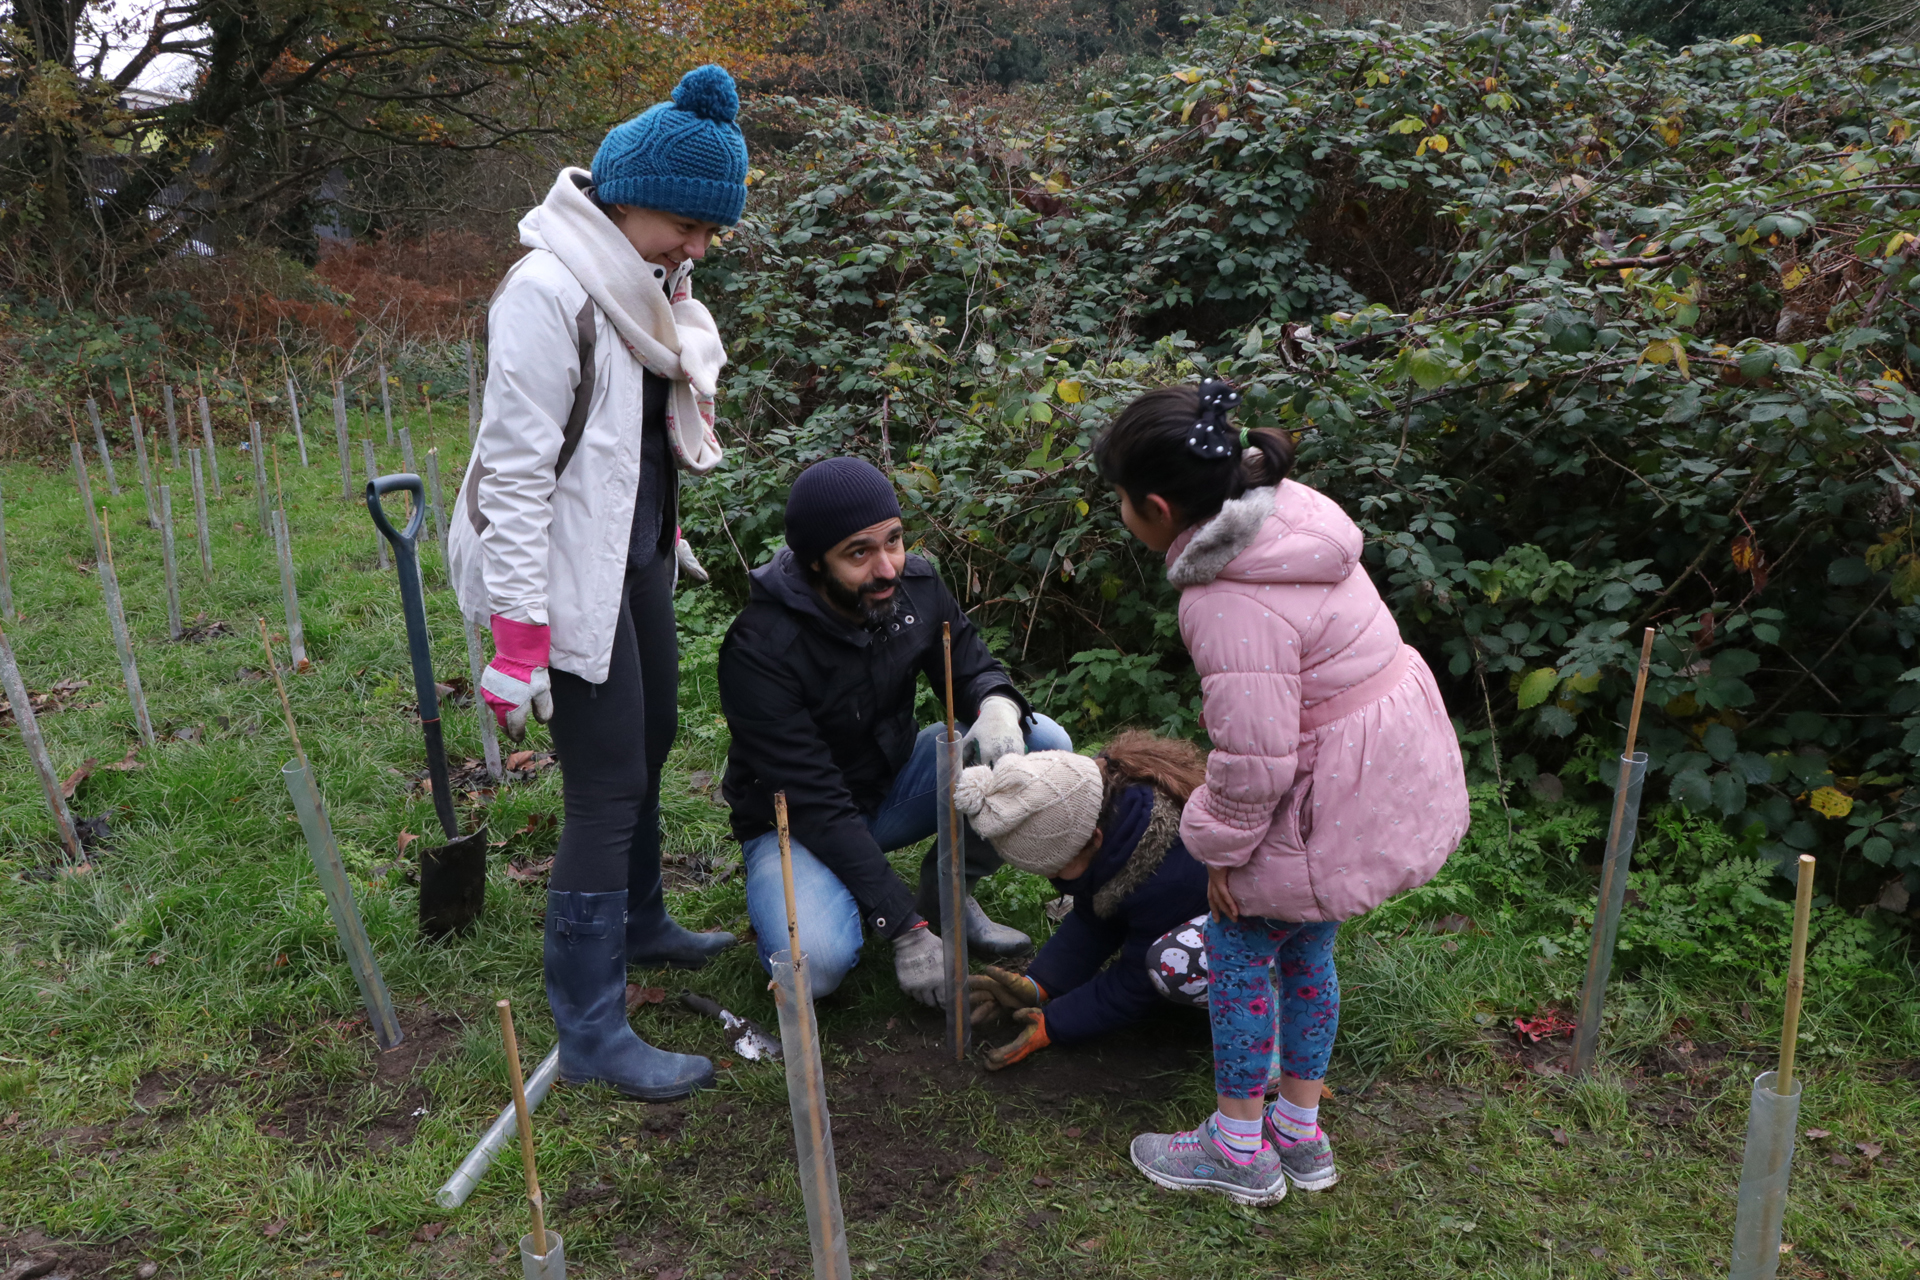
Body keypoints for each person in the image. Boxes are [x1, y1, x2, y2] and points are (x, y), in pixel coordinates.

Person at [447, 65, 749, 1102]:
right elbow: (516, 480)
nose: (699, 249)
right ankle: (589, 1024)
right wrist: (519, 633)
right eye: (689, 224)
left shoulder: (647, 286)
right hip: (561, 572)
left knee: (654, 729)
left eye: (712, 231)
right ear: (627, 198)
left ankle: (642, 918)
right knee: (606, 779)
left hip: (631, 556)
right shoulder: (550, 293)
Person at [1099, 379, 1469, 1206]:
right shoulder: (1292, 521)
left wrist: (1217, 850)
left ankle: (1238, 1147)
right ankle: (1300, 1136)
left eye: (1120, 501)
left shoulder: (1227, 597)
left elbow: (1255, 758)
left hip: (1315, 792)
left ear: (1156, 507)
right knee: (1309, 949)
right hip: (1366, 780)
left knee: (1237, 952)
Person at [717, 456, 1072, 1004]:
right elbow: (813, 800)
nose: (887, 568)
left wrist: (996, 704)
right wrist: (901, 927)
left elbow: (973, 669)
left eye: (894, 541)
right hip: (794, 821)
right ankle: (819, 892)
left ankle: (947, 897)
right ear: (815, 561)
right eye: (859, 552)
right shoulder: (760, 649)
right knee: (819, 968)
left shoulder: (915, 587)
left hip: (895, 780)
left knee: (1043, 742)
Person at [956, 733, 1212, 1070]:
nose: (1055, 881)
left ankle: (1276, 1006)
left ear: (1094, 840)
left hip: (1269, 932)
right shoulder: (1111, 811)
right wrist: (1041, 983)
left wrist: (1055, 1023)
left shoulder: (1172, 873)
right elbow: (1098, 914)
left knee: (1168, 965)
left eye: (1058, 870)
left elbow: (1136, 982)